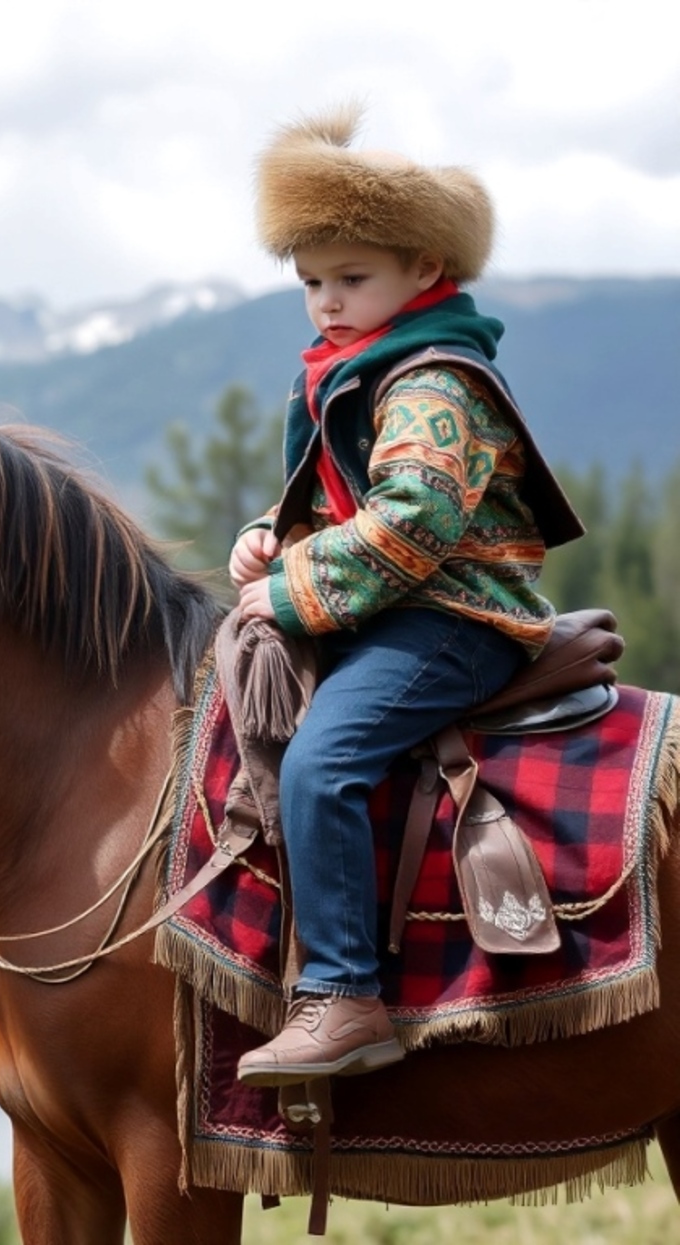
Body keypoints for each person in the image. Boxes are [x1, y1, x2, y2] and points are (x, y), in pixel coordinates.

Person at [230, 106, 584, 1088]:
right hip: (394, 604)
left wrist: (293, 590)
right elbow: (347, 496)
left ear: (425, 271)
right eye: (309, 282)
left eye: (351, 279)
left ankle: (344, 995)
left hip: (453, 614)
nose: (326, 303)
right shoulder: (357, 369)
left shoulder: (431, 382)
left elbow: (416, 517)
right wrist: (275, 533)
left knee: (321, 761)